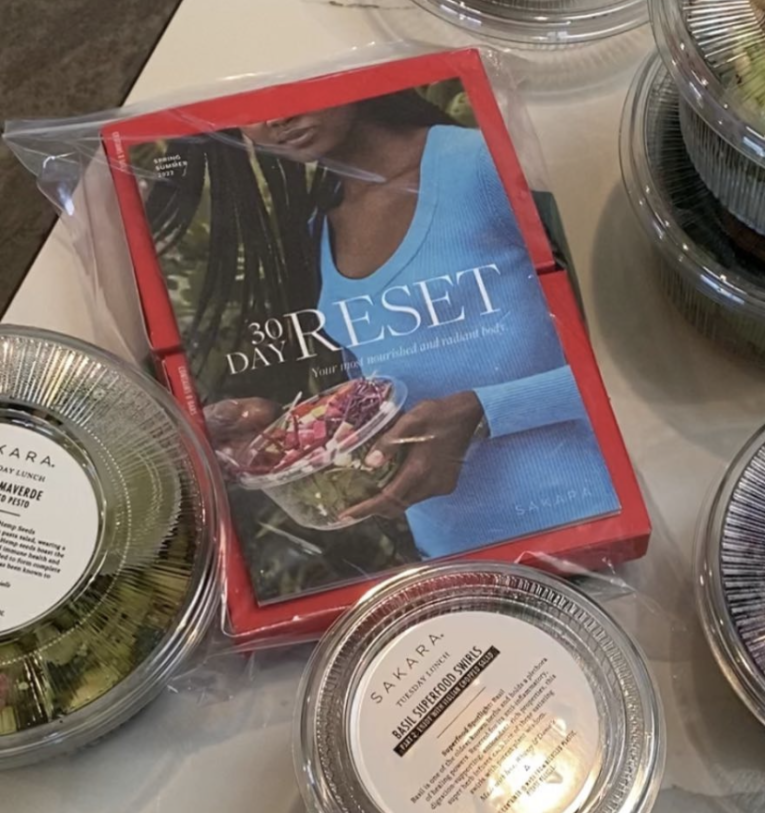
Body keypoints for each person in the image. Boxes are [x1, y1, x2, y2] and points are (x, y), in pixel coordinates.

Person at [149, 86, 619, 561]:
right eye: (246, 108)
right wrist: (295, 436)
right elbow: (388, 405)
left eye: (284, 89)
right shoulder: (320, 231)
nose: (273, 118)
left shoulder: (482, 164)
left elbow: (632, 361)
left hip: (593, 519)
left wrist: (485, 412)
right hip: (452, 556)